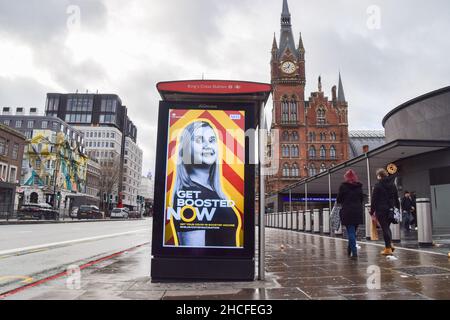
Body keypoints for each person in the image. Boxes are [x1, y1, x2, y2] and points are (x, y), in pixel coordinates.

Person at [170, 121, 239, 248]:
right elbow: (193, 256)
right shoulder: (190, 195)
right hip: (215, 267)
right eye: (200, 140)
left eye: (212, 140)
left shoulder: (211, 191)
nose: (208, 145)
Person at [370, 168, 400, 255]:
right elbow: (396, 198)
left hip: (381, 210)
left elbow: (374, 200)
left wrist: (372, 211)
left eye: (377, 176)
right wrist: (397, 208)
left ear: (379, 176)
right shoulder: (393, 185)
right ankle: (390, 244)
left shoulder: (378, 185)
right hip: (391, 210)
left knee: (385, 228)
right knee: (387, 227)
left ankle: (388, 249)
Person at [337, 169, 364, 259]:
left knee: (351, 232)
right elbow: (361, 199)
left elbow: (339, 200)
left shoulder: (343, 186)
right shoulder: (359, 187)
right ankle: (350, 250)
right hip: (357, 211)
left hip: (347, 211)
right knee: (353, 232)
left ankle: (354, 252)